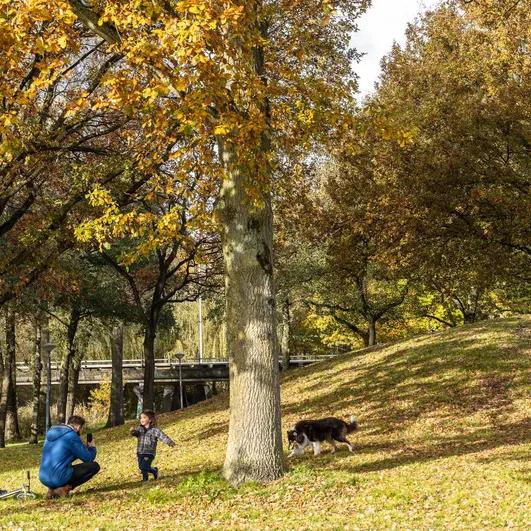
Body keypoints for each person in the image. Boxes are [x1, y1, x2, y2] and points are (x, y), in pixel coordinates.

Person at [39, 415, 99, 499]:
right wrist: (92, 448)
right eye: (80, 428)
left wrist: (82, 449)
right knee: (94, 466)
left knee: (61, 470)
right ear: (78, 427)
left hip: (44, 477)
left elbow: (63, 455)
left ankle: (52, 489)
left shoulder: (51, 433)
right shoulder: (71, 435)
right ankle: (62, 489)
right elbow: (88, 458)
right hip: (58, 477)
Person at [130, 410, 175, 481]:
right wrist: (133, 431)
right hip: (140, 452)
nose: (142, 419)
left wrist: (169, 442)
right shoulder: (139, 429)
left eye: (144, 417)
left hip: (149, 453)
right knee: (141, 467)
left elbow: (162, 436)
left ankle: (153, 471)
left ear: (150, 420)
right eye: (141, 418)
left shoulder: (155, 430)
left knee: (144, 466)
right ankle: (147, 477)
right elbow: (136, 433)